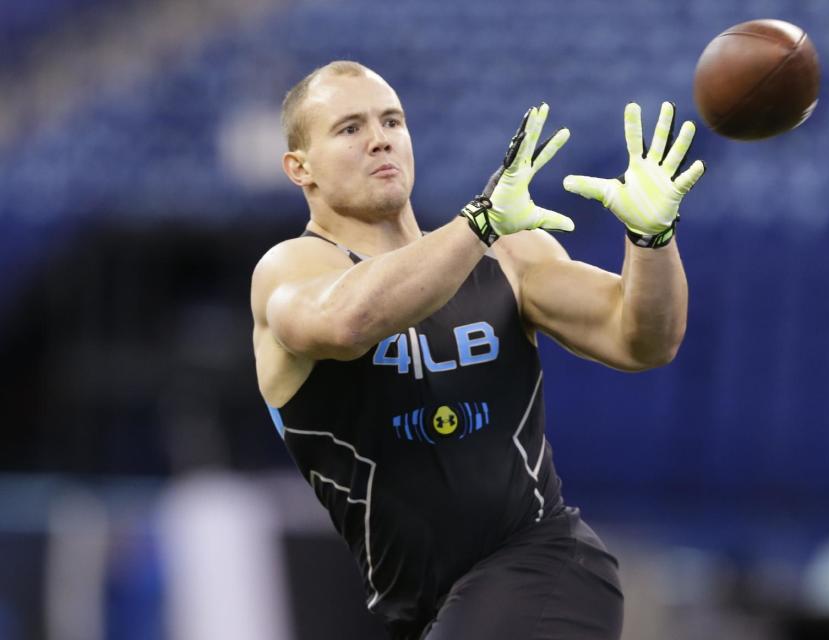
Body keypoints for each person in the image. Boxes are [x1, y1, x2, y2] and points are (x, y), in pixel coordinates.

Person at [250, 60, 705, 640]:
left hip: (543, 561)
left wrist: (651, 242)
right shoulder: (290, 269)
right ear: (299, 168)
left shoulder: (508, 253)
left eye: (392, 120)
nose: (380, 138)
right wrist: (480, 222)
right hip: (421, 608)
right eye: (350, 128)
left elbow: (643, 339)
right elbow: (347, 321)